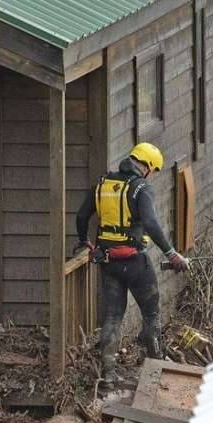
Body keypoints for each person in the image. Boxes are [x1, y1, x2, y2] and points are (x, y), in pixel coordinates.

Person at [75, 142, 189, 385]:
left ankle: (108, 373)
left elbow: (82, 216)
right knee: (151, 314)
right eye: (153, 170)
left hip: (108, 262)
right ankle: (155, 367)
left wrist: (84, 240)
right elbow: (150, 222)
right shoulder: (140, 188)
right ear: (147, 166)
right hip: (136, 263)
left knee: (113, 316)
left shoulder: (102, 184)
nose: (152, 175)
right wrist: (171, 254)